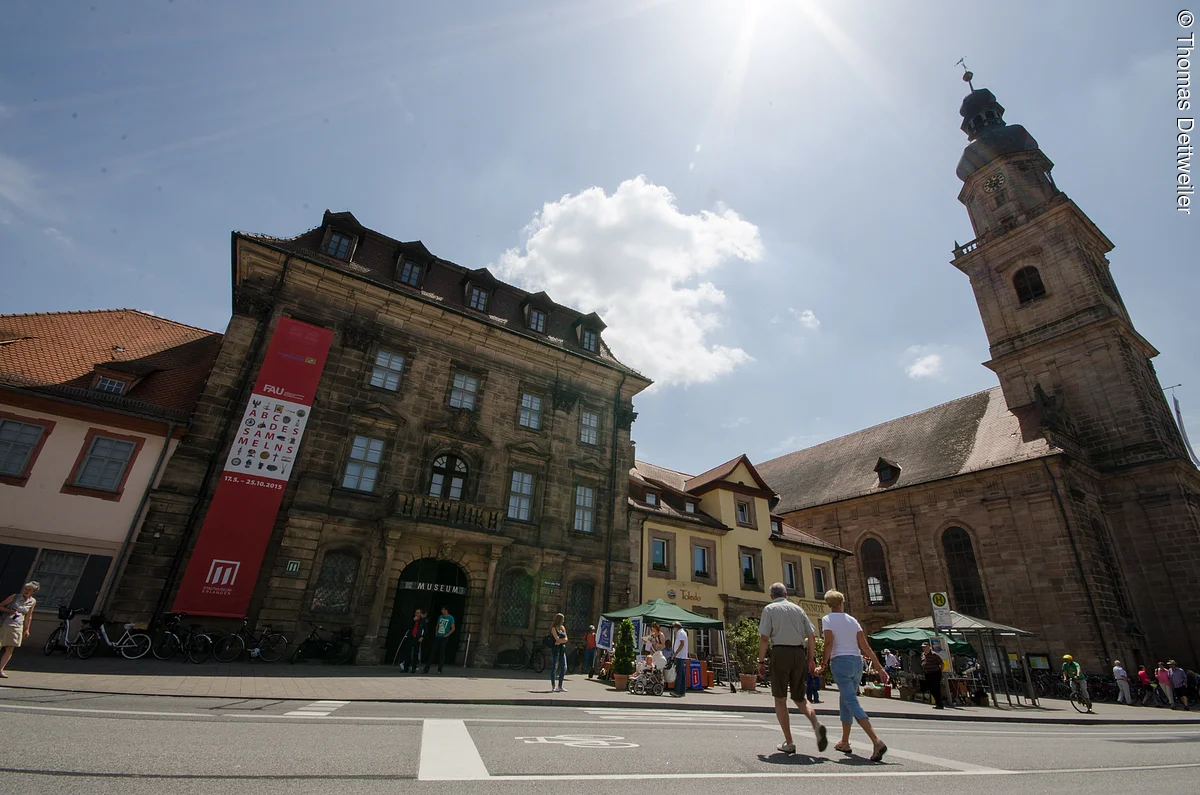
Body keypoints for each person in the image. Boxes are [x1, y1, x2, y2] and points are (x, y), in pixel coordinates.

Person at [814, 590, 888, 761]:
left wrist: (823, 664)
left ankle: (876, 741)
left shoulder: (828, 619)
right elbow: (865, 647)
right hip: (856, 663)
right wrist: (879, 668)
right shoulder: (853, 620)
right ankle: (845, 741)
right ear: (842, 602)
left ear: (829, 604)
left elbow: (829, 643)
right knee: (846, 700)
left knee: (851, 702)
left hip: (840, 662)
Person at [757, 582, 828, 755]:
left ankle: (789, 742)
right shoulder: (798, 610)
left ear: (772, 596)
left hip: (780, 652)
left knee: (780, 698)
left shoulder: (770, 609)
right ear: (786, 594)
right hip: (799, 653)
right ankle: (816, 725)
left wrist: (761, 661)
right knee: (800, 697)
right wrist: (811, 659)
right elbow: (811, 636)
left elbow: (765, 638)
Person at [0, 582, 38, 678]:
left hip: (18, 625)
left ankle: (0, 670)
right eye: (26, 589)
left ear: (33, 592)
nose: (26, 591)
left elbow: (29, 616)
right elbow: (1, 606)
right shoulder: (15, 597)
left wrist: (27, 629)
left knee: (10, 647)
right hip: (5, 623)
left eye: (29, 590)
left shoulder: (32, 601)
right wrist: (10, 611)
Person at [423, 606, 455, 674]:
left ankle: (439, 670)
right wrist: (436, 633)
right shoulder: (440, 617)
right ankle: (426, 668)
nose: (442, 611)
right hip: (438, 636)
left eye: (443, 610)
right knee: (432, 652)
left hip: (444, 637)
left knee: (442, 654)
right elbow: (437, 625)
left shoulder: (450, 618)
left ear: (446, 610)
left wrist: (446, 635)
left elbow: (453, 628)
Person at [921, 642, 946, 710]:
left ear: (929, 647)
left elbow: (942, 664)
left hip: (935, 673)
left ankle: (939, 704)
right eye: (923, 647)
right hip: (928, 673)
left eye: (925, 647)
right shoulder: (923, 655)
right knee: (931, 689)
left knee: (936, 689)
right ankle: (937, 702)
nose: (924, 648)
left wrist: (940, 671)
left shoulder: (934, 655)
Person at [549, 612, 569, 692]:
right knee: (555, 667)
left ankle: (560, 686)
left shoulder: (563, 628)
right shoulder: (553, 628)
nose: (563, 621)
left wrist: (560, 641)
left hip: (562, 649)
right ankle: (553, 686)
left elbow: (566, 639)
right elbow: (556, 638)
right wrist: (561, 640)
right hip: (555, 649)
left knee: (564, 667)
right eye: (562, 619)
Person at [670, 621, 689, 697]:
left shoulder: (680, 633)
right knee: (682, 674)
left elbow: (682, 644)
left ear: (676, 627)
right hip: (682, 656)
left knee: (679, 674)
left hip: (680, 656)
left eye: (673, 627)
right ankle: (682, 691)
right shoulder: (683, 632)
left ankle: (677, 691)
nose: (673, 629)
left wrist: (675, 653)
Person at [406, 608, 426, 673]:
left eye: (418, 613)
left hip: (417, 638)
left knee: (415, 654)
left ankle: (414, 668)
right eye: (416, 613)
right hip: (411, 637)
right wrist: (413, 620)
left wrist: (422, 637)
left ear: (420, 614)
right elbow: (408, 626)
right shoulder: (412, 619)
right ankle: (406, 667)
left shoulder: (423, 621)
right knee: (408, 652)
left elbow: (425, 630)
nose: (417, 614)